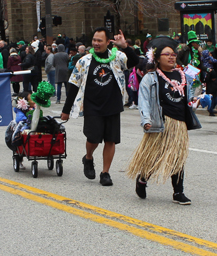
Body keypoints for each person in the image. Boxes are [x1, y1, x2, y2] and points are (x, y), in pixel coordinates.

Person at [61, 28, 139, 186]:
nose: (96, 43)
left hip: (113, 105)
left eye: (99, 40)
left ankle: (105, 173)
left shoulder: (117, 57)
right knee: (93, 139)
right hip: (92, 106)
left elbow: (135, 62)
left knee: (110, 141)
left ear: (108, 42)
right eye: (94, 40)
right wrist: (66, 110)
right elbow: (73, 85)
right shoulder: (84, 61)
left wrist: (125, 46)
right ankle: (88, 157)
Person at [126, 37, 199, 204]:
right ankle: (142, 179)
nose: (171, 57)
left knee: (178, 157)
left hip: (179, 123)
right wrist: (145, 120)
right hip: (160, 121)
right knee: (154, 155)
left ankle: (178, 192)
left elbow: (188, 98)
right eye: (167, 54)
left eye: (173, 54)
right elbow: (143, 101)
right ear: (157, 58)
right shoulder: (151, 78)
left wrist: (195, 101)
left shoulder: (183, 75)